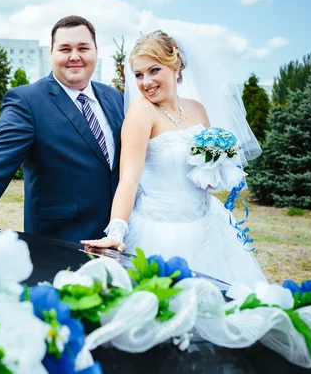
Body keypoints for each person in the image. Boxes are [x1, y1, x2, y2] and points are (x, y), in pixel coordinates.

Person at [81, 30, 266, 286]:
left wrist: (213, 169)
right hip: (160, 232)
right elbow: (129, 179)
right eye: (138, 74)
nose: (146, 82)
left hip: (209, 226)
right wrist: (116, 232)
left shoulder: (197, 109)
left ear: (175, 67)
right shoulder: (141, 112)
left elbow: (206, 180)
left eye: (154, 70)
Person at [0, 16, 125, 242]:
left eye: (83, 48)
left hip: (117, 238)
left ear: (95, 50)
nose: (74, 56)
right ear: (52, 53)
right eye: (65, 48)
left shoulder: (114, 97)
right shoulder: (27, 100)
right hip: (61, 240)